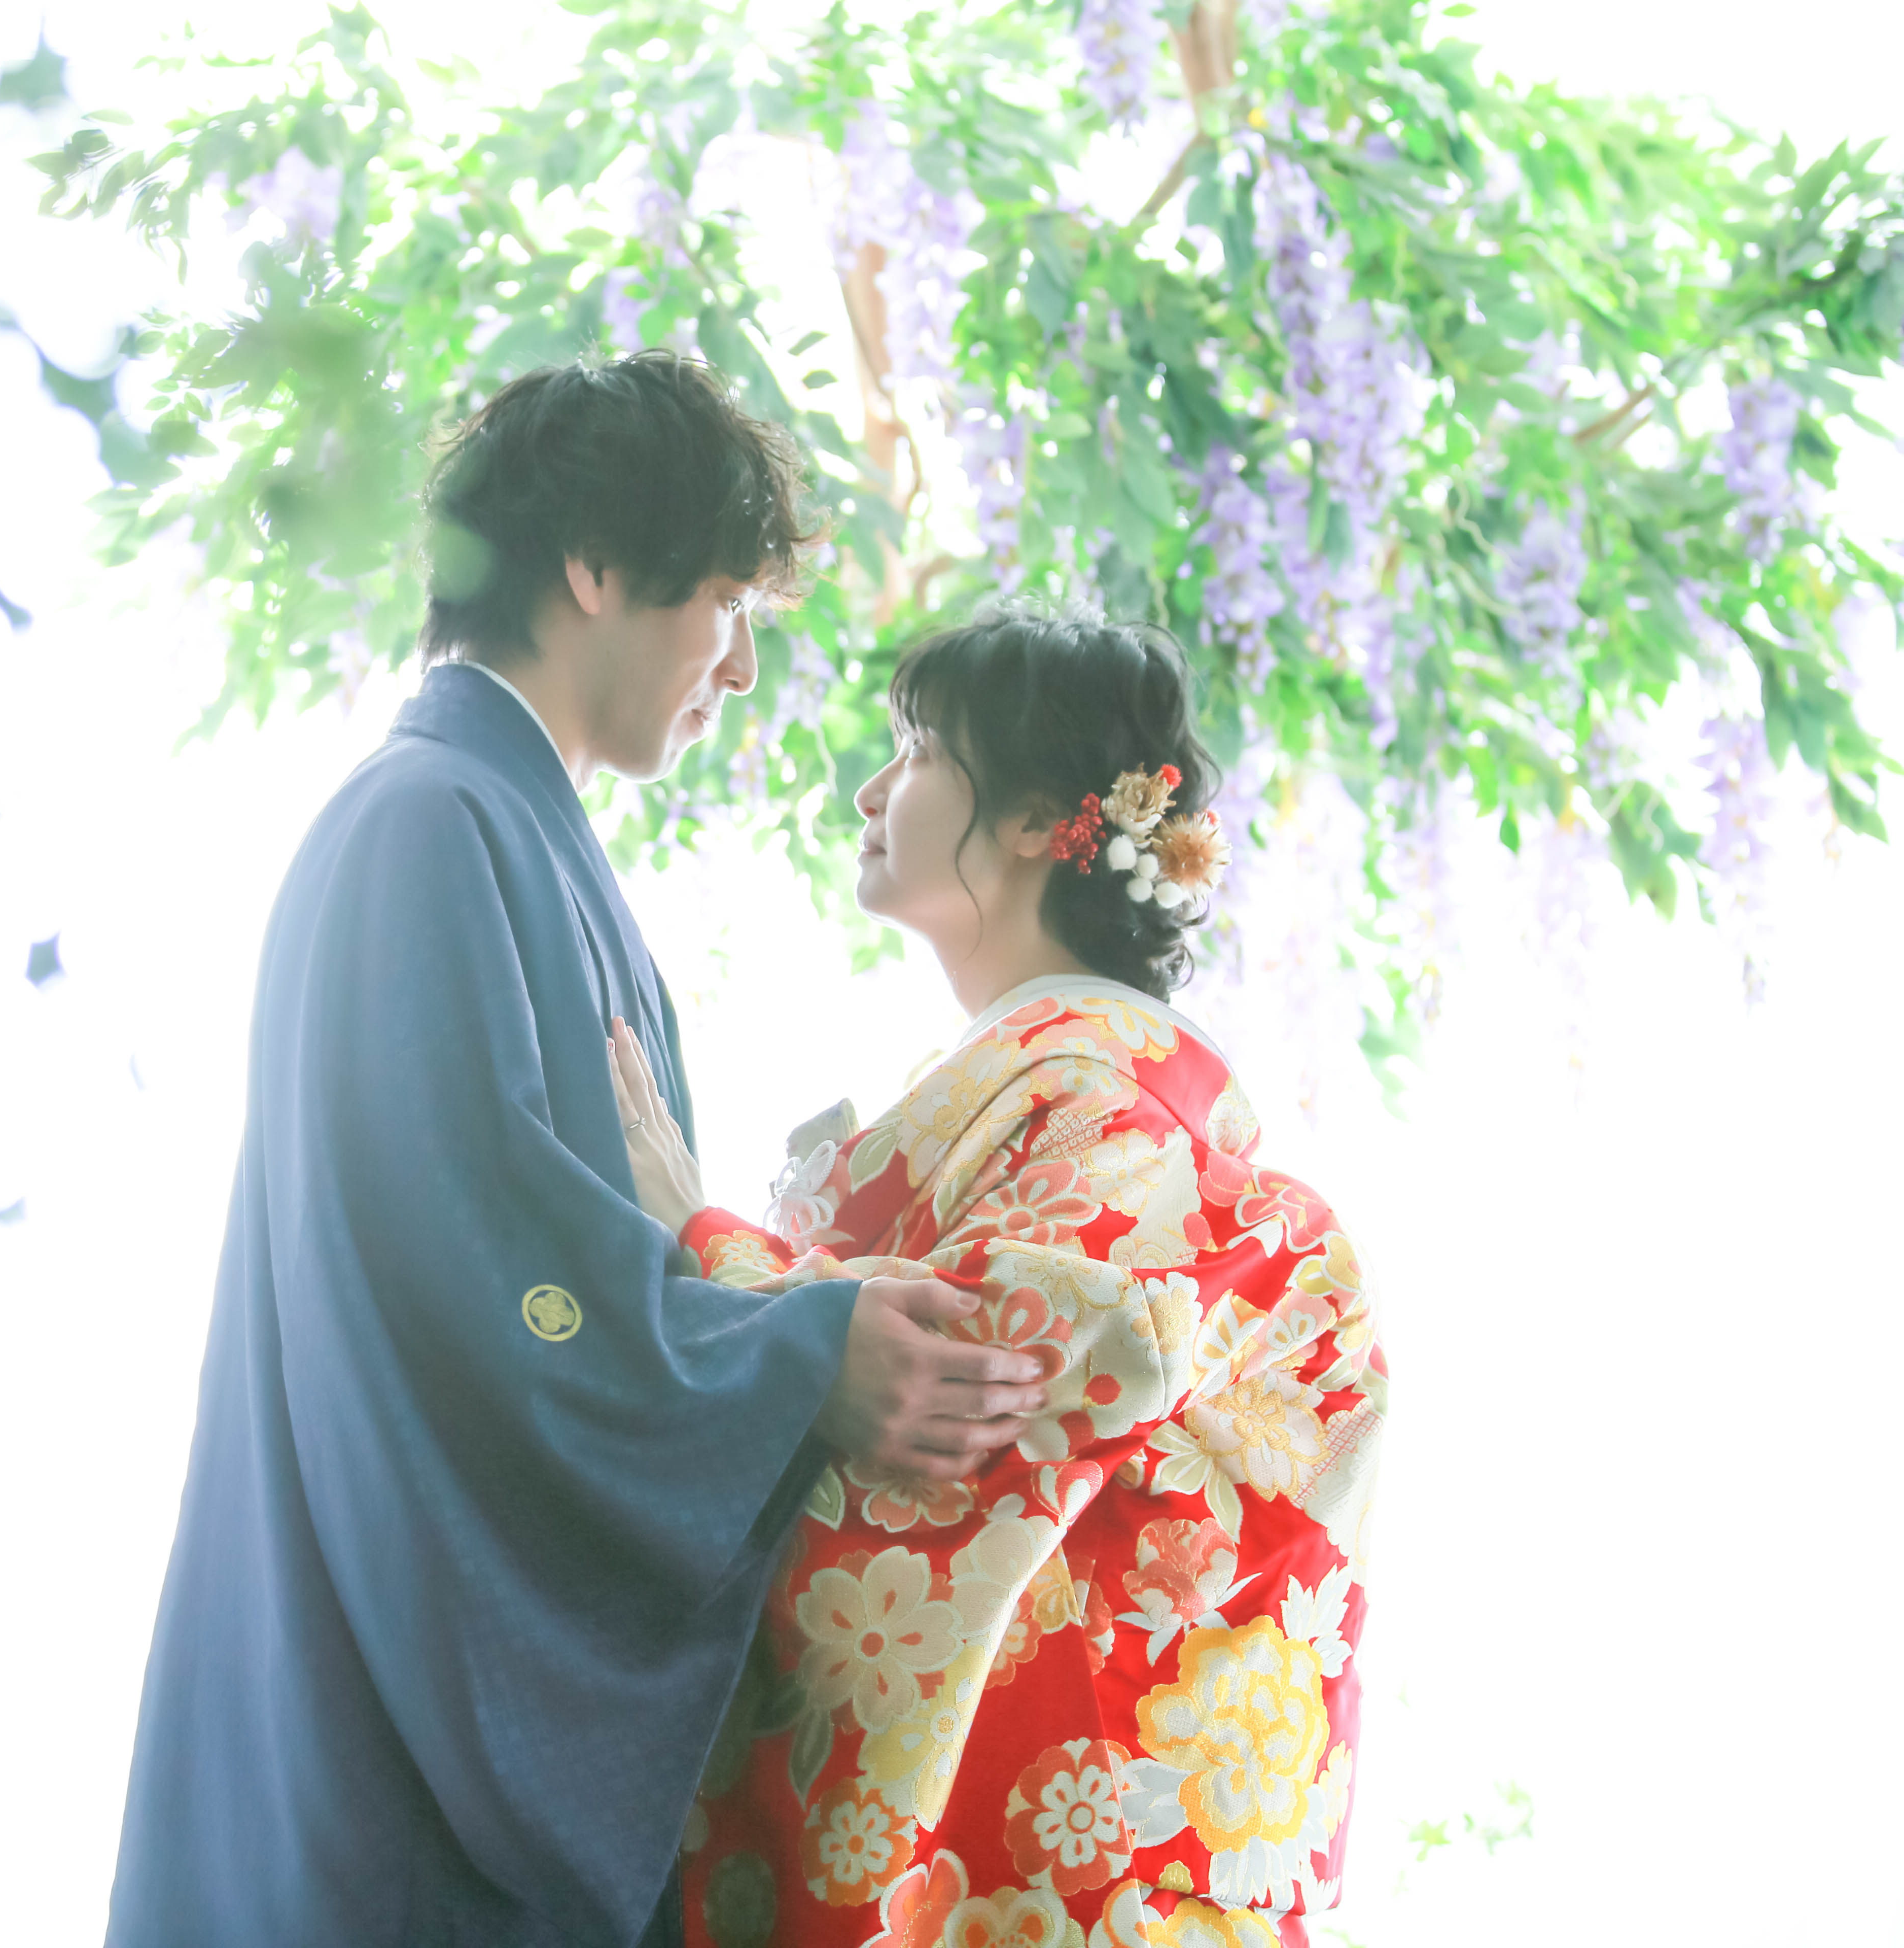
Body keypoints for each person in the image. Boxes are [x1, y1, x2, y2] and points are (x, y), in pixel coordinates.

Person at [105, 355, 1057, 1948]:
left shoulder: (502, 835)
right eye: (728, 605)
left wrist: (768, 1315)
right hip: (376, 1775)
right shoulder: (424, 828)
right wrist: (795, 1357)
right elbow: (480, 1280)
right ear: (596, 567)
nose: (739, 667)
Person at [609, 607, 1383, 1948]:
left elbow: (951, 1420)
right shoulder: (1064, 1099)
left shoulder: (1115, 1125)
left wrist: (703, 1240)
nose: (871, 790)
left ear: (1034, 821)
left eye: (916, 752)